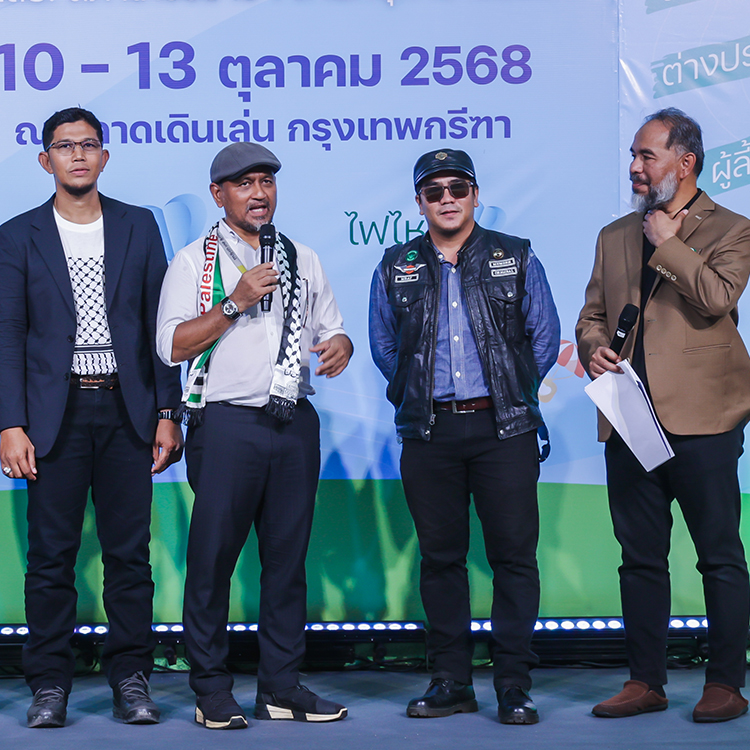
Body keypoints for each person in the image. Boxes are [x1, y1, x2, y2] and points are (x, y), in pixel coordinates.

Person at [156, 141, 353, 730]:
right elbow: (171, 345)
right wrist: (235, 301)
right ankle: (211, 689)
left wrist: (340, 346)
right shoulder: (192, 262)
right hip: (226, 424)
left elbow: (332, 329)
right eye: (244, 183)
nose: (259, 193)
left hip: (294, 423)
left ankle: (281, 687)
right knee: (212, 561)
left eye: (266, 181)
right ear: (218, 195)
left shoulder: (302, 257)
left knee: (288, 563)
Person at [0, 107, 184, 728]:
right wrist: (9, 423)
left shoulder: (138, 226)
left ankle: (131, 678)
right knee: (50, 558)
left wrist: (167, 411)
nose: (77, 155)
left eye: (88, 144)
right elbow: (8, 335)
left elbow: (161, 326)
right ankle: (49, 684)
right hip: (53, 417)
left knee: (129, 555)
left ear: (104, 156)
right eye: (64, 145)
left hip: (129, 411)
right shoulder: (17, 235)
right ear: (45, 159)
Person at [369, 148, 559, 724]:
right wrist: (418, 395)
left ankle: (513, 684)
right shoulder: (395, 264)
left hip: (505, 429)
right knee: (441, 560)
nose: (447, 199)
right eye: (434, 191)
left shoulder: (516, 256)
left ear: (476, 195)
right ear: (419, 202)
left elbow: (544, 337)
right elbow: (385, 348)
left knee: (513, 559)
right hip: (430, 432)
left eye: (458, 188)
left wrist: (513, 393)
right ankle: (450, 680)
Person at [577, 108, 750, 723]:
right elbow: (592, 314)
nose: (635, 166)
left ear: (685, 161)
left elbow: (717, 298)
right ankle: (645, 681)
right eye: (633, 154)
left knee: (719, 556)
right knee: (640, 558)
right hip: (630, 417)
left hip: (706, 420)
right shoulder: (613, 234)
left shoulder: (732, 228)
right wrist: (593, 347)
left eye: (646, 156)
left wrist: (668, 244)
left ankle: (725, 683)